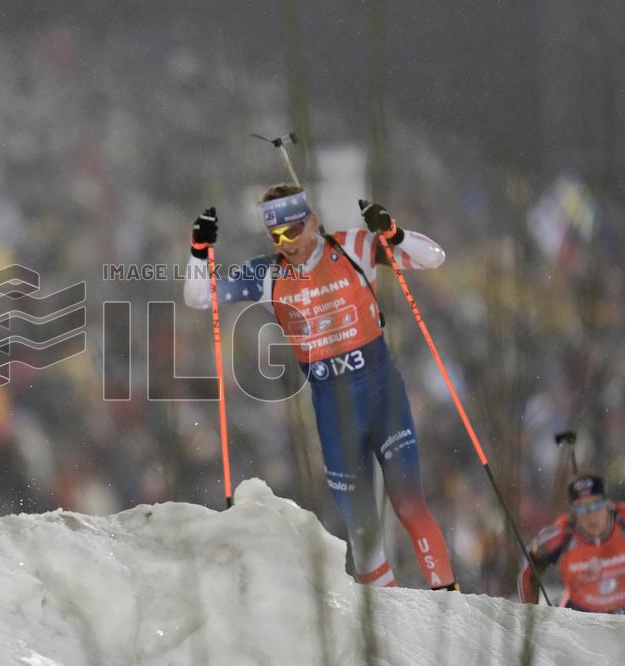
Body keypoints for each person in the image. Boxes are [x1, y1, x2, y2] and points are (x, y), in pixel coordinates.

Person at [183, 184, 456, 589]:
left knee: (409, 505)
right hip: (333, 408)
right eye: (274, 236)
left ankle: (450, 604)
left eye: (290, 232)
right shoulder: (269, 273)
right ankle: (393, 635)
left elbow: (434, 258)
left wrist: (393, 233)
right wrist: (198, 249)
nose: (284, 244)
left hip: (381, 393)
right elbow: (197, 297)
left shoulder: (353, 248)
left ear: (311, 221)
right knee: (362, 535)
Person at [518, 472, 625, 614]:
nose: (590, 516)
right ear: (573, 512)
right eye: (581, 509)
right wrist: (530, 614)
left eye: (596, 505)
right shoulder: (563, 532)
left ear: (609, 503)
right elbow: (527, 569)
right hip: (582, 616)